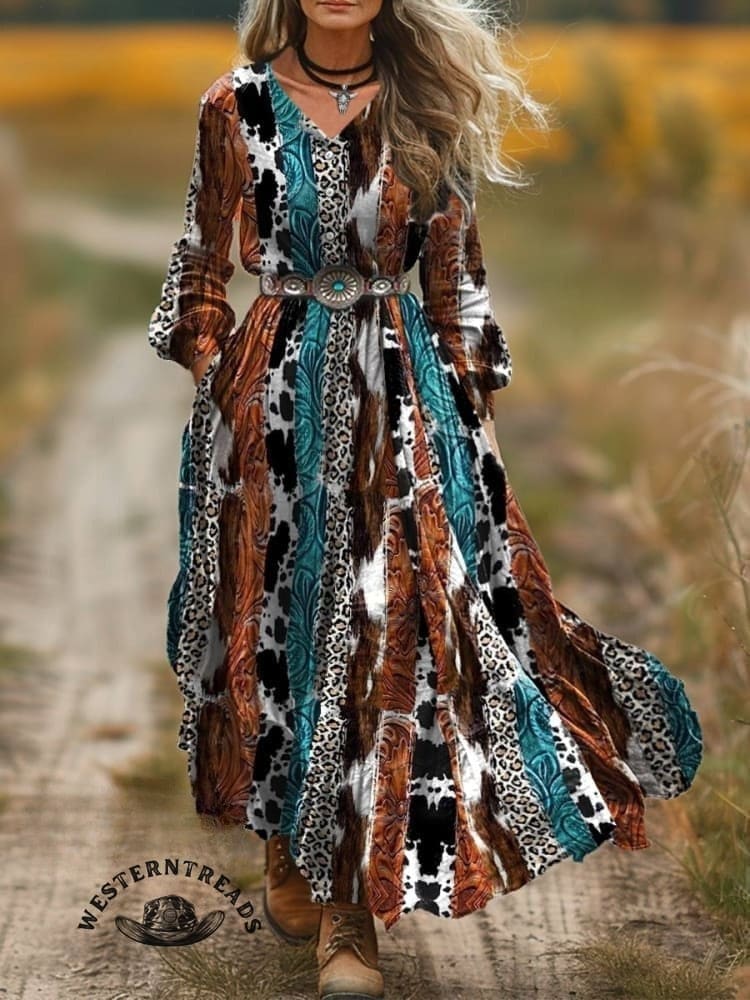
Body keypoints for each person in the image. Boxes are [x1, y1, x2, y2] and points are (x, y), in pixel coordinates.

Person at [146, 1, 704, 998]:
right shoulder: (233, 105)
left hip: (400, 407)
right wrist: (217, 371)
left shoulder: (428, 108)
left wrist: (470, 428)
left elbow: (458, 287)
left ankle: (350, 916)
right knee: (277, 631)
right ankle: (288, 837)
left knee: (381, 637)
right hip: (268, 409)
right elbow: (197, 263)